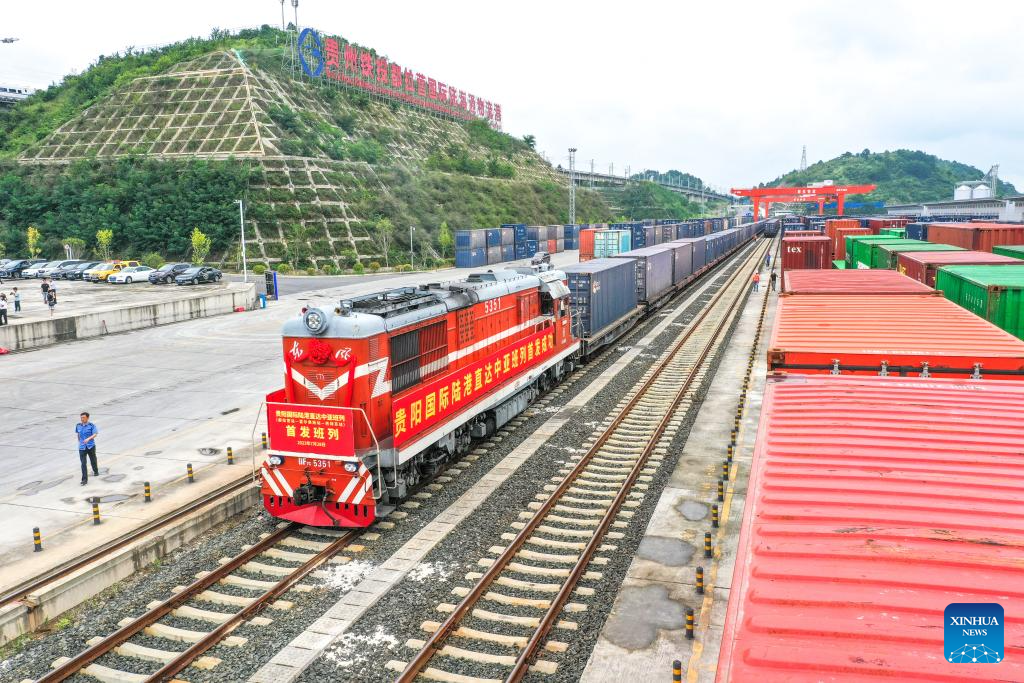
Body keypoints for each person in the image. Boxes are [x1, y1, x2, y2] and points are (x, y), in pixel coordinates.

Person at [76, 412, 100, 485]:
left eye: (83, 417)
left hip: (90, 446)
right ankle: (84, 480)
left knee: (93, 460)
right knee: (83, 463)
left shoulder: (91, 425)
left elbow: (95, 434)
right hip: (82, 447)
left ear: (87, 418)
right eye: (81, 417)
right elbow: (78, 434)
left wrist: (88, 439)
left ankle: (95, 471)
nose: (82, 419)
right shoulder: (78, 425)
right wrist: (80, 442)